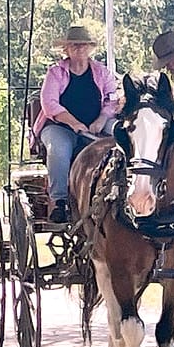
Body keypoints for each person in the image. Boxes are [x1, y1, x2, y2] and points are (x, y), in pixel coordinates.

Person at [32, 25, 120, 223]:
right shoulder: (55, 73)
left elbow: (111, 100)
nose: (79, 48)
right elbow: (49, 104)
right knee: (58, 150)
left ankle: (123, 186)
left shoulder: (102, 72)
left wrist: (101, 120)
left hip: (97, 124)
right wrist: (74, 123)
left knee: (122, 134)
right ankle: (60, 201)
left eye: (83, 45)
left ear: (90, 48)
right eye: (74, 45)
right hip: (60, 126)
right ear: (67, 49)